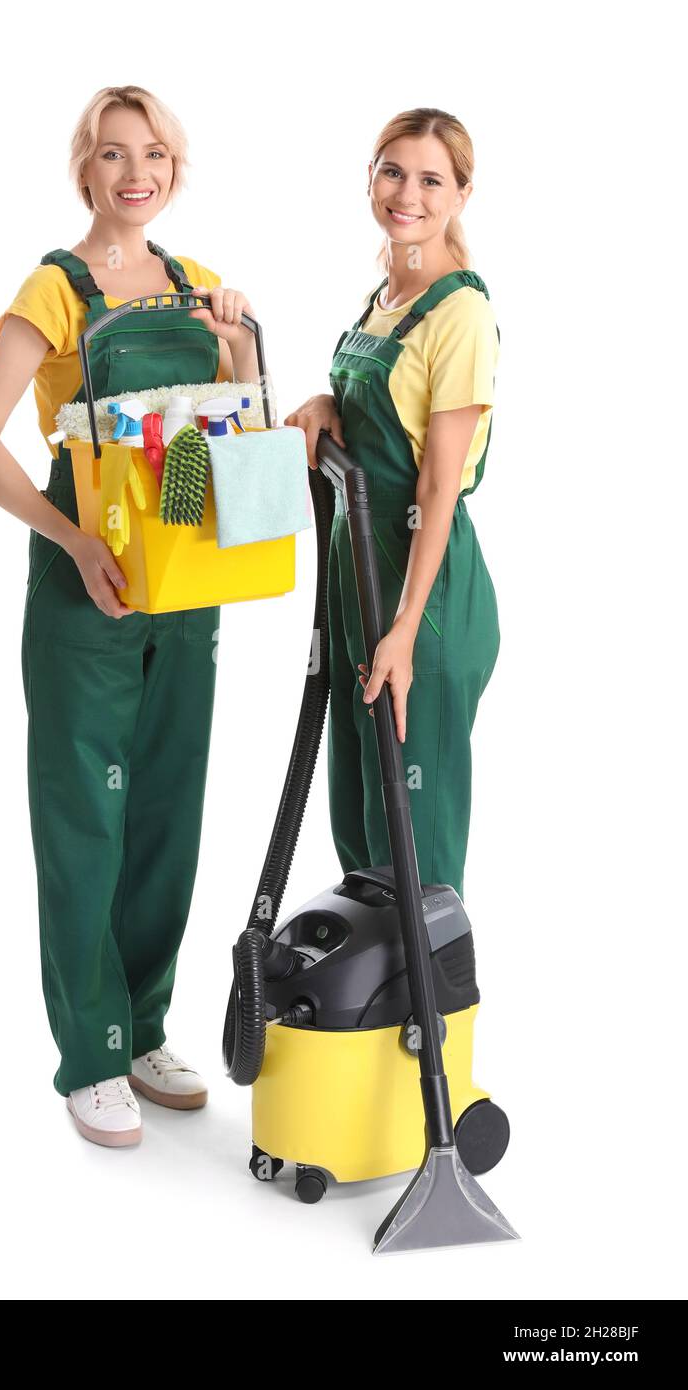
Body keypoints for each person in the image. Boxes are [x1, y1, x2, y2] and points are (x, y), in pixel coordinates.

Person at [0, 85, 259, 1147]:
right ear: (85, 169)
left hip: (188, 580)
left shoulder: (203, 287)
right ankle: (88, 1054)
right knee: (87, 822)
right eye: (115, 153)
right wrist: (72, 540)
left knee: (168, 814)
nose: (138, 171)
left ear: (176, 167)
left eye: (156, 153)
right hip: (89, 586)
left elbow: (241, 437)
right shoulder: (56, 289)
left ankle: (142, 1028)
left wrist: (246, 346)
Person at [287, 107, 500, 901]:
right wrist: (321, 405)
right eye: (391, 171)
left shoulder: (460, 314)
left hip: (425, 599)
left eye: (430, 179)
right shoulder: (384, 296)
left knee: (414, 840)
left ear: (461, 195)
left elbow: (437, 485)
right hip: (358, 585)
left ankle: (431, 1017)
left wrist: (404, 634)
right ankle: (372, 1019)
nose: (406, 192)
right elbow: (378, 423)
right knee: (363, 827)